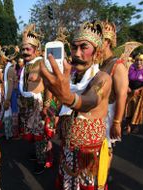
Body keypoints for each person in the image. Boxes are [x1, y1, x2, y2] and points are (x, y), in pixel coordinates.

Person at [41, 21, 112, 190]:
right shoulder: (71, 79)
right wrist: (51, 107)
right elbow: (63, 107)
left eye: (84, 47)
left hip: (88, 154)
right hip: (68, 149)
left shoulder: (103, 78)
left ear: (97, 52)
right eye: (74, 47)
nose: (77, 53)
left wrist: (67, 97)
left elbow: (89, 101)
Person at [19, 24, 53, 174]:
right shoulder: (26, 66)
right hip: (28, 106)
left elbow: (49, 86)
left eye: (28, 49)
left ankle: (42, 160)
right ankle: (38, 154)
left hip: (39, 107)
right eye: (23, 49)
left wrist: (46, 106)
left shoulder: (42, 63)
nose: (25, 52)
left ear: (36, 50)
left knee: (40, 135)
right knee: (33, 134)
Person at [100, 21, 128, 148]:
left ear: (108, 42)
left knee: (106, 148)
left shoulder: (118, 65)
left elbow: (122, 95)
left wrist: (117, 122)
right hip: (95, 112)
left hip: (109, 113)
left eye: (100, 40)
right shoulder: (98, 63)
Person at [125, 54, 143, 134]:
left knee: (137, 111)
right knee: (128, 110)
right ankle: (128, 126)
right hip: (129, 93)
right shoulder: (130, 70)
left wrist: (139, 89)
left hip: (139, 95)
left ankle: (135, 126)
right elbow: (125, 79)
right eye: (137, 60)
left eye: (141, 60)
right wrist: (127, 86)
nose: (138, 62)